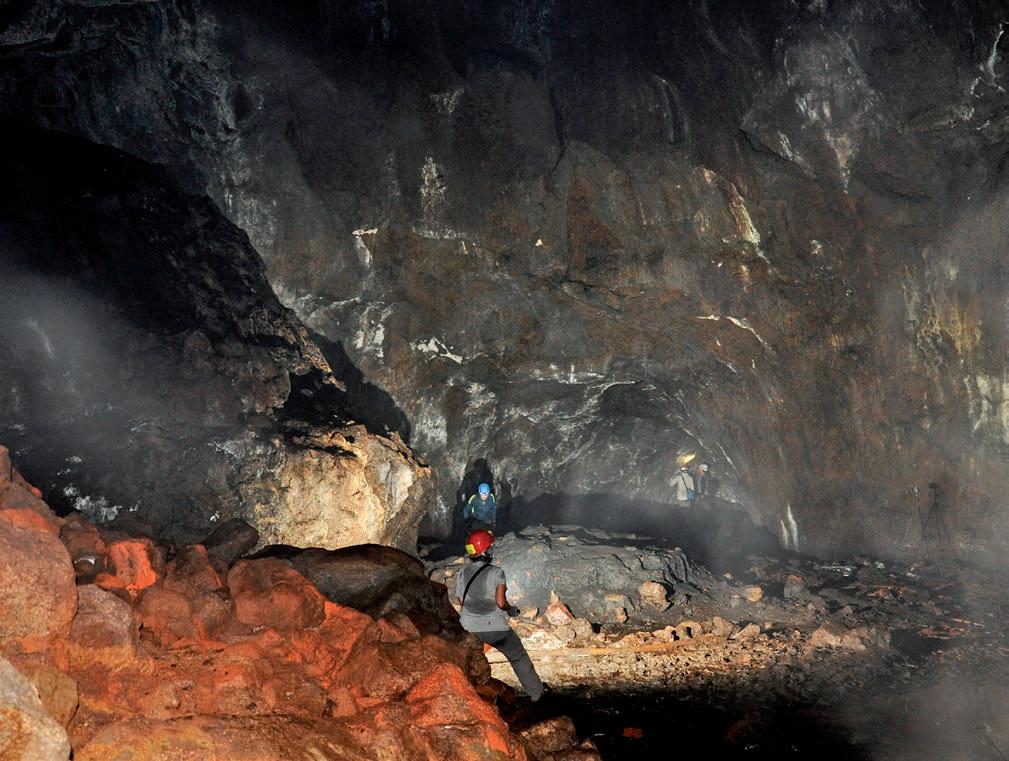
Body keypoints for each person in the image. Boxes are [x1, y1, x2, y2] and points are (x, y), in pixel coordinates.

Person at [454, 529, 545, 701]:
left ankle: (467, 698)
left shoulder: (462, 573)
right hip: (495, 628)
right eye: (490, 547)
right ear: (486, 551)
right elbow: (501, 603)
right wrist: (512, 610)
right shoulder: (496, 572)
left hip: (469, 629)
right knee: (518, 657)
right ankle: (537, 695)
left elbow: (460, 600)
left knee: (470, 663)